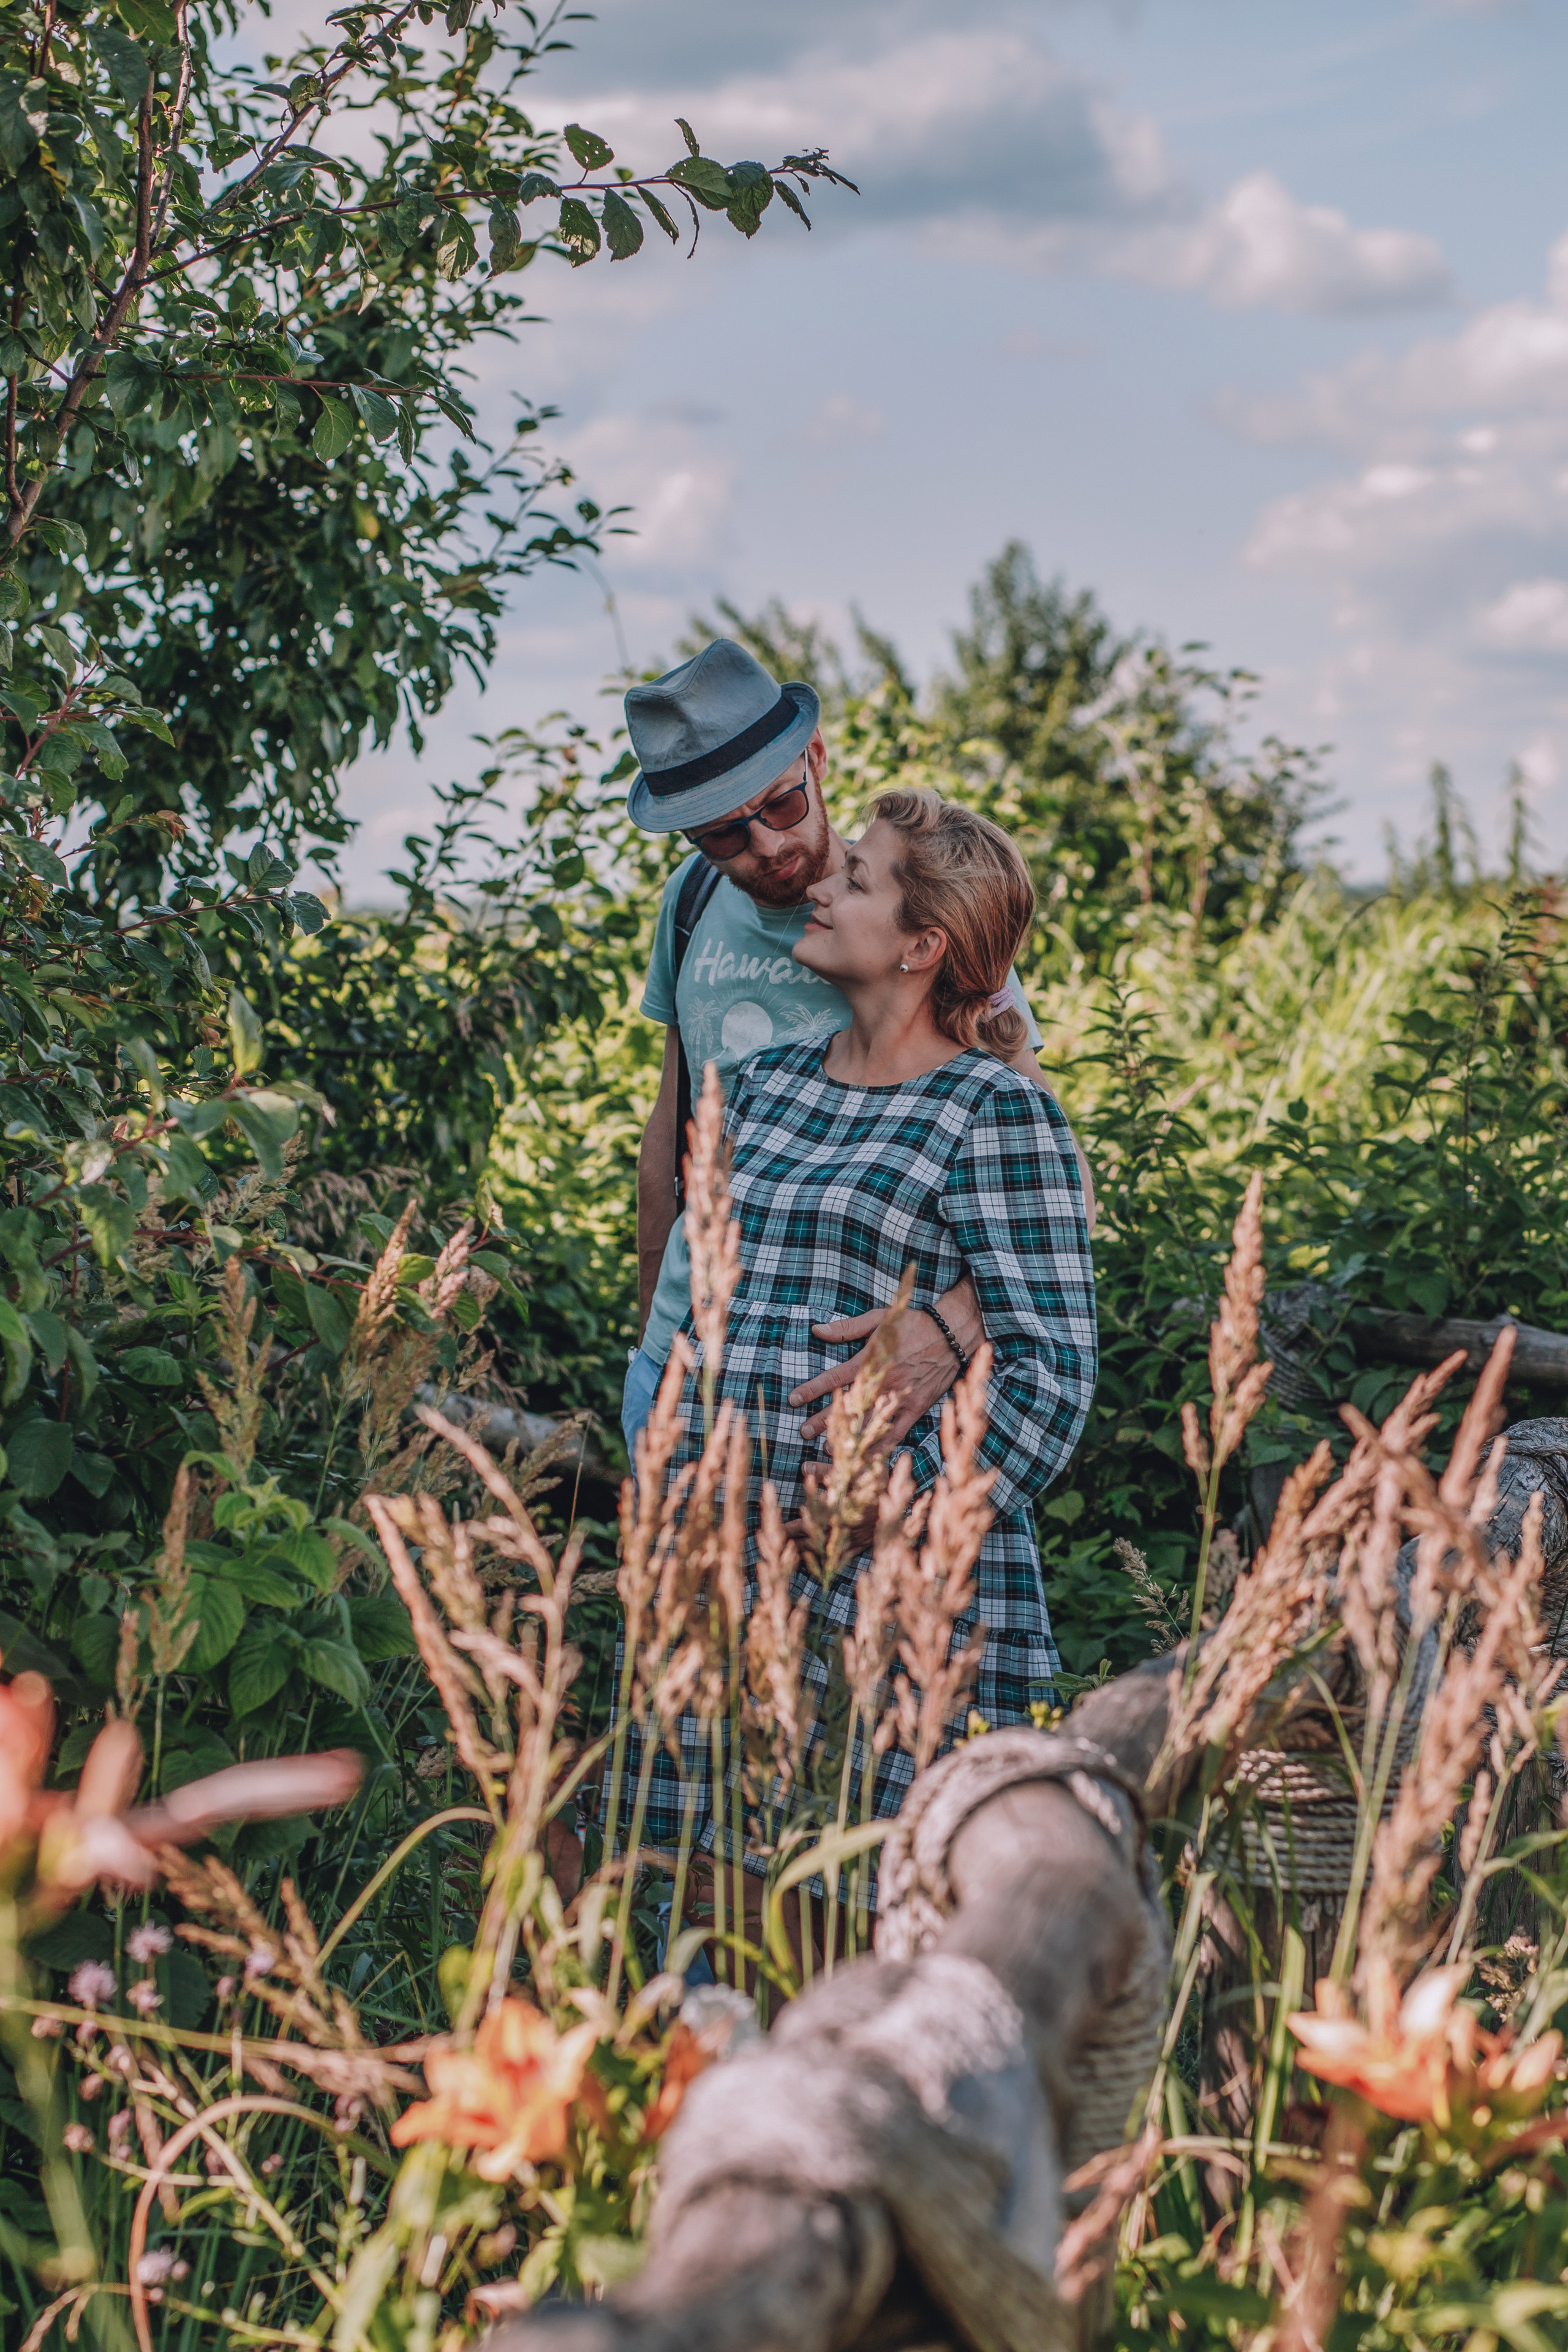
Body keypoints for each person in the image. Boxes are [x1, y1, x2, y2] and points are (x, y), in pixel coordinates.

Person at [616, 785, 1097, 1883]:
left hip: (890, 1582)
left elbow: (1052, 1371)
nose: (822, 884)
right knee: (708, 1909)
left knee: (865, 1919)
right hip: (730, 1568)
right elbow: (715, 1312)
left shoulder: (993, 1110)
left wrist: (892, 1507)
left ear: (923, 945)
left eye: (858, 879)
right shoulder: (766, 1090)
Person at [620, 636, 1095, 1472]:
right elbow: (675, 1124)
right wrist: (651, 1337)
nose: (765, 849)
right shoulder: (689, 905)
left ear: (816, 758)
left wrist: (951, 1327)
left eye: (778, 806)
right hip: (680, 1371)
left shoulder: (922, 911)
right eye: (724, 834)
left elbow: (1057, 1187)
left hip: (854, 1403)